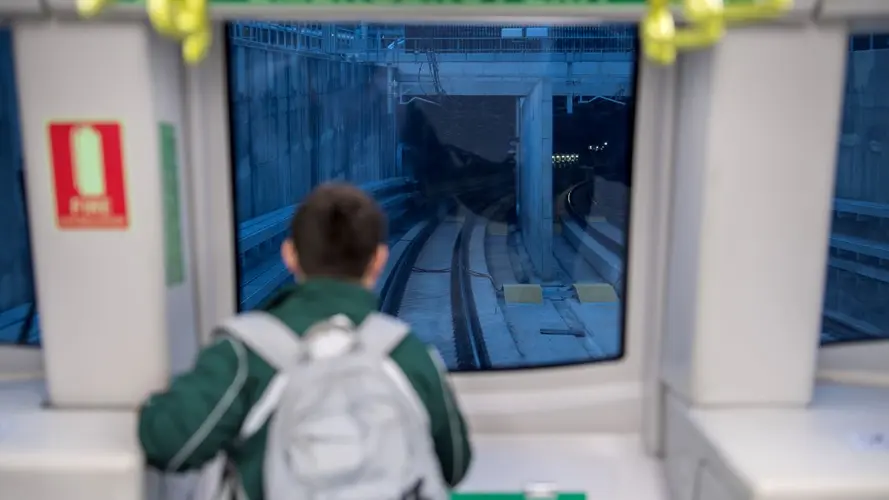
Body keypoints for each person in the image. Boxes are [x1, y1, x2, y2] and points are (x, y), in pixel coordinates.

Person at [138, 182, 473, 500]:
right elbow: (455, 465)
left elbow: (171, 444)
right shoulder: (407, 353)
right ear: (379, 260)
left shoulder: (244, 353)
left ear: (289, 255)